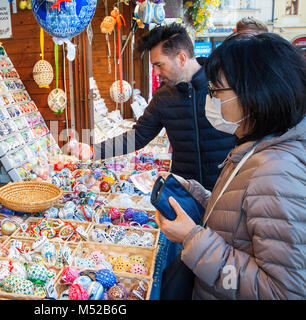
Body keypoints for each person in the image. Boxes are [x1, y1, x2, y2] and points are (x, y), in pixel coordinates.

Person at [155, 33, 306, 299]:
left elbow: (281, 292)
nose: (210, 99)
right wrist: (197, 194)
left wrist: (192, 239)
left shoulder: (276, 173)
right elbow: (241, 223)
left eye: (217, 91)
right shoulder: (254, 148)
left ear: (254, 93)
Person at [71, 23, 236, 192]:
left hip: (227, 189)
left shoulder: (222, 85)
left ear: (181, 58)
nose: (156, 72)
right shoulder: (163, 96)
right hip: (186, 191)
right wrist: (94, 151)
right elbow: (138, 136)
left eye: (160, 64)